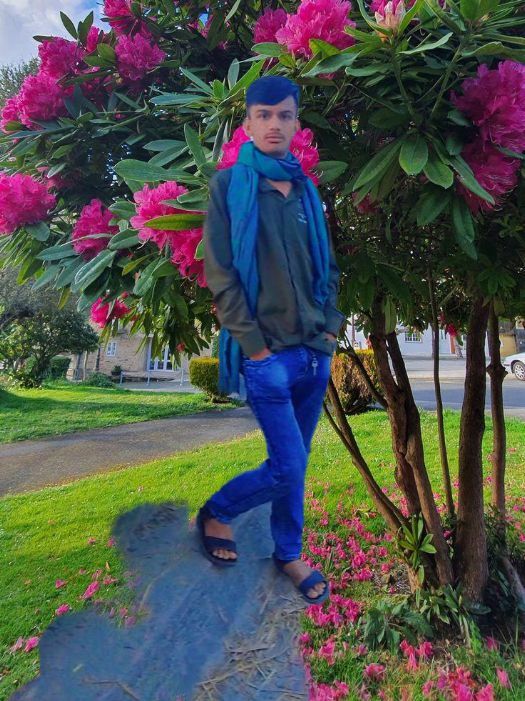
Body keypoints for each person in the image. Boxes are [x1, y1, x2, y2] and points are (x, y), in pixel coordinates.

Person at [199, 76, 345, 604]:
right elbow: (221, 274)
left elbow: (326, 265)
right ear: (248, 124)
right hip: (267, 357)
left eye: (284, 115)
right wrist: (254, 347)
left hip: (313, 353)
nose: (274, 124)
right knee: (289, 465)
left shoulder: (305, 190)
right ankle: (218, 511)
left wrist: (329, 329)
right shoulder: (228, 187)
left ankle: (288, 551)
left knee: (294, 462)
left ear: (296, 123)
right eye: (264, 115)